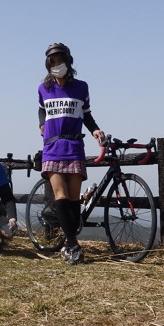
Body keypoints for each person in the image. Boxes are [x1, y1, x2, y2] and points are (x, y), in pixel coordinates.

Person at [38, 42, 105, 265]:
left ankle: (69, 242)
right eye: (52, 61)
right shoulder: (43, 88)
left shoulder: (81, 87)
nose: (57, 65)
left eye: (60, 60)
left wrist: (95, 129)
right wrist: (41, 124)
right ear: (48, 64)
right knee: (62, 196)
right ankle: (73, 243)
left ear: (68, 61)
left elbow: (86, 114)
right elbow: (41, 109)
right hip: (52, 147)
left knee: (74, 199)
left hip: (75, 146)